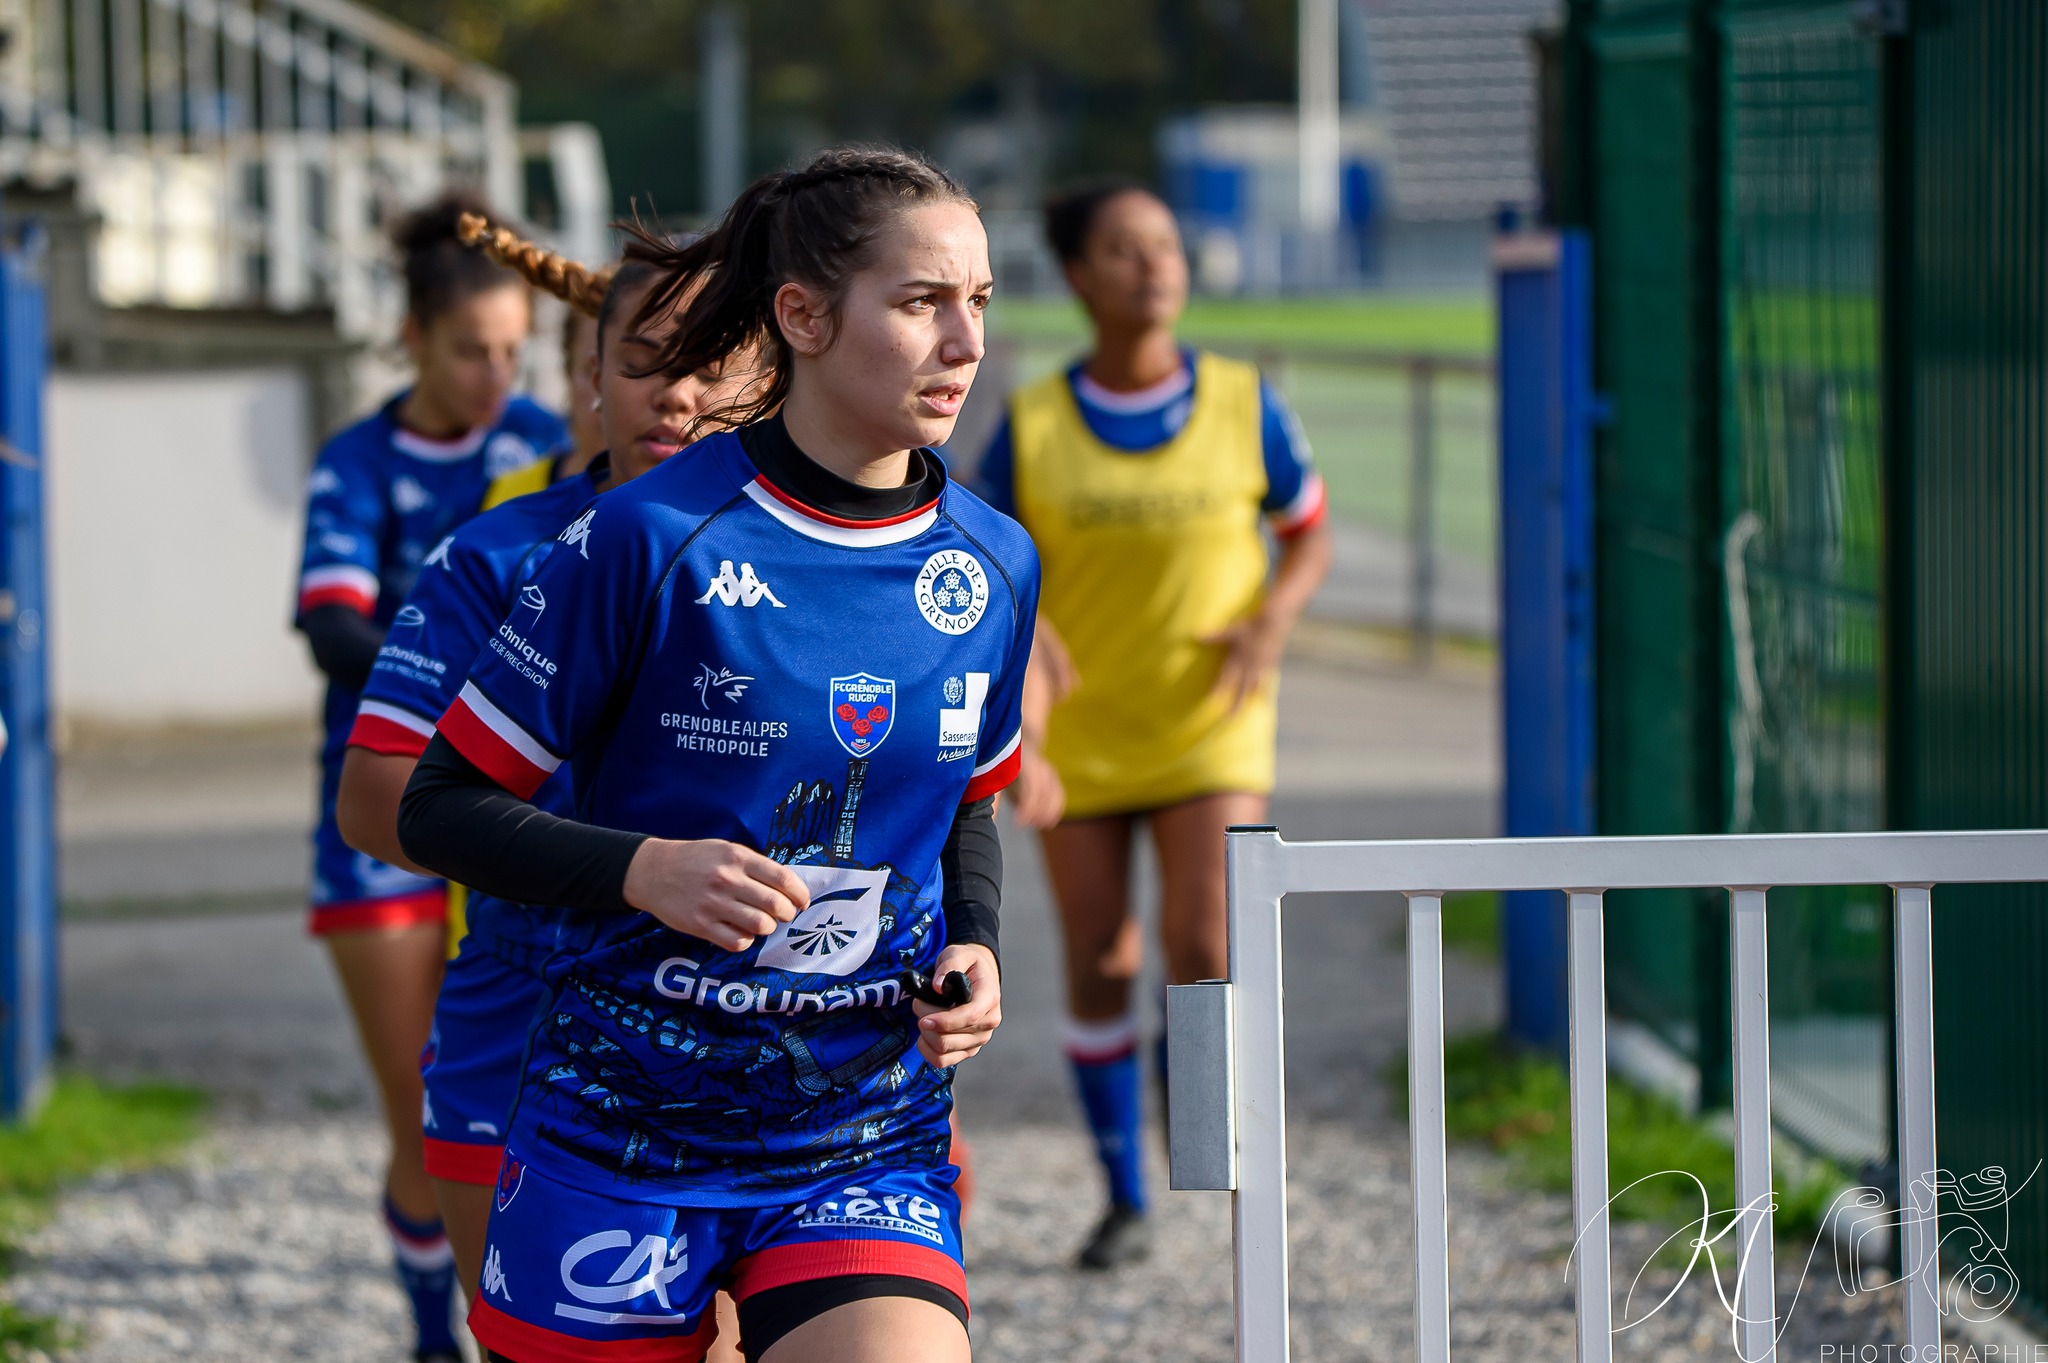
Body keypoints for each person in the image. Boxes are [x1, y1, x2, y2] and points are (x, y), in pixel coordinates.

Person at [397, 145, 1032, 1363]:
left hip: (858, 1136)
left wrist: (976, 943)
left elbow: (966, 804)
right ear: (802, 316)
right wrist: (641, 869)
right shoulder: (644, 536)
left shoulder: (992, 560)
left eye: (979, 302)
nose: (965, 343)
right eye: (920, 303)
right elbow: (436, 806)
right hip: (617, 1131)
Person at [976, 178, 1333, 1270]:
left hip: (1208, 724)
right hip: (1078, 735)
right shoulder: (1033, 422)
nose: (1155, 265)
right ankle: (1123, 1198)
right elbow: (980, 552)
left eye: (1166, 245)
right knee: (1101, 954)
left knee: (1204, 941)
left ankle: (1214, 1163)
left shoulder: (1243, 401)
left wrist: (1271, 617)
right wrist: (1029, 636)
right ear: (1078, 275)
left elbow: (1307, 530)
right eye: (1126, 249)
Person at [292, 192, 567, 1363]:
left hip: (514, 813)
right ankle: (431, 1336)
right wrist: (458, 677)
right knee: (424, 1106)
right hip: (382, 813)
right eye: (469, 351)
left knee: (529, 1103)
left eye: (513, 351)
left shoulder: (546, 448)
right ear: (411, 337)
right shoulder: (357, 461)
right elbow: (329, 626)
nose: (496, 377)